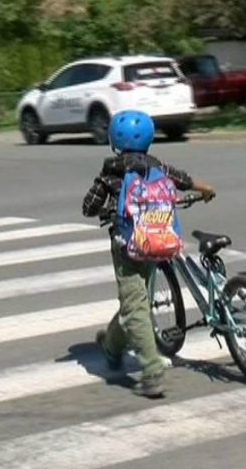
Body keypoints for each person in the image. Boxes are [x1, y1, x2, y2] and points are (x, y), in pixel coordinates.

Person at [82, 110, 215, 398]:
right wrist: (205, 189)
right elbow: (183, 179)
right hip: (157, 241)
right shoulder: (158, 167)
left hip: (127, 244)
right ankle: (111, 345)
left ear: (115, 140)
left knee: (135, 303)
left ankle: (151, 371)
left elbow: (89, 206)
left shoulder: (111, 171)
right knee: (136, 301)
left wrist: (105, 208)